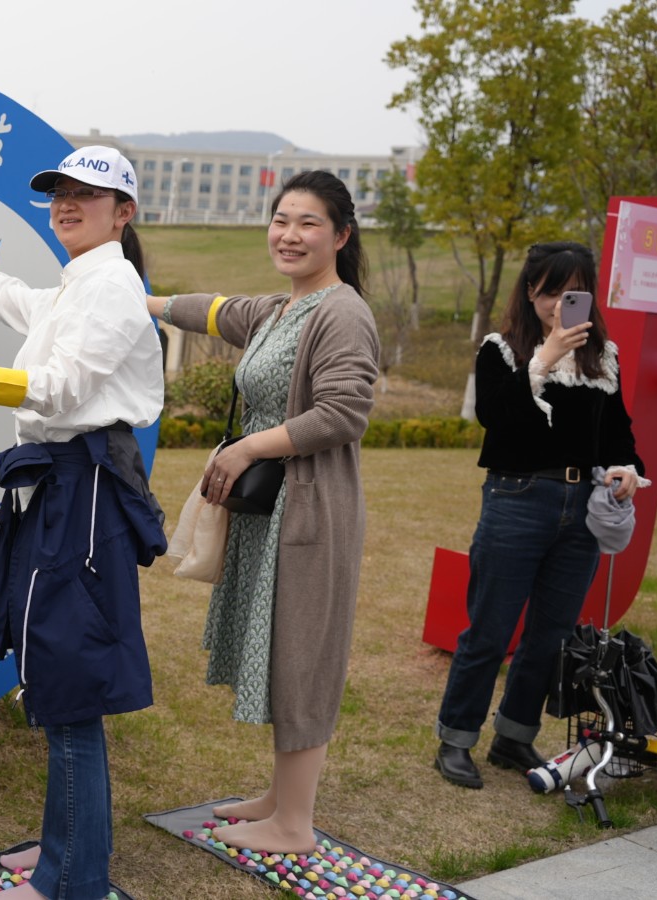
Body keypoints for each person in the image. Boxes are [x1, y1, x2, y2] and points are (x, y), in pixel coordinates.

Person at [0, 145, 167, 900]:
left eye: (87, 193)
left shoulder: (111, 286)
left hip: (82, 493)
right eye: (59, 193)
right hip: (62, 489)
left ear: (124, 212)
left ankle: (75, 880)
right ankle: (64, 861)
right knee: (57, 675)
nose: (67, 204)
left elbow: (59, 388)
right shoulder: (79, 284)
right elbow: (9, 295)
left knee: (69, 685)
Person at [149, 170, 379, 854]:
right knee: (280, 647)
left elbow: (343, 413)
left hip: (309, 513)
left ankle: (293, 824)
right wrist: (141, 299)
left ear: (341, 236)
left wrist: (248, 446)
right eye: (281, 220)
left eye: (309, 223)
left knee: (302, 654)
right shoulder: (281, 309)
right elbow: (216, 311)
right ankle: (281, 798)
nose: (290, 234)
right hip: (272, 510)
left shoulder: (341, 313)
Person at [432, 241, 646, 789]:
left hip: (581, 510)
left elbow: (617, 430)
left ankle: (513, 734)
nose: (560, 304)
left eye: (575, 292)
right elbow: (493, 416)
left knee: (551, 634)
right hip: (517, 498)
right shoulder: (502, 349)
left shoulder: (602, 356)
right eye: (551, 291)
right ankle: (456, 739)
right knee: (491, 628)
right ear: (530, 292)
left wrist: (625, 468)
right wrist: (544, 358)